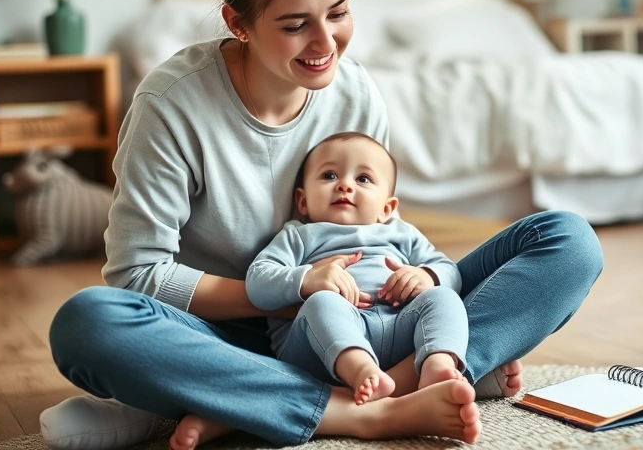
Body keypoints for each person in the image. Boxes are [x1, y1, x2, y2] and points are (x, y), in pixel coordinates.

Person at [39, 0, 604, 450]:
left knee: (568, 241)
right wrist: (294, 292)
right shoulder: (171, 105)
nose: (325, 42)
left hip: (364, 326)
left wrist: (419, 283)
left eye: (338, 12)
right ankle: (368, 412)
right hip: (223, 335)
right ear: (238, 23)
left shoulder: (355, 92)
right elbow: (139, 274)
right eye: (294, 25)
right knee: (88, 323)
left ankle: (273, 398)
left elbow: (381, 231)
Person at [173, 133, 470, 449]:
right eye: (329, 175)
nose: (345, 185)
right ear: (303, 201)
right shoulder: (299, 236)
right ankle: (362, 371)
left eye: (364, 178)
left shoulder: (401, 233)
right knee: (324, 301)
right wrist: (308, 279)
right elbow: (258, 281)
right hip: (316, 345)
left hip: (396, 325)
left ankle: (437, 365)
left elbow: (449, 270)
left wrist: (425, 275)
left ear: (387, 207)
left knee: (444, 298)